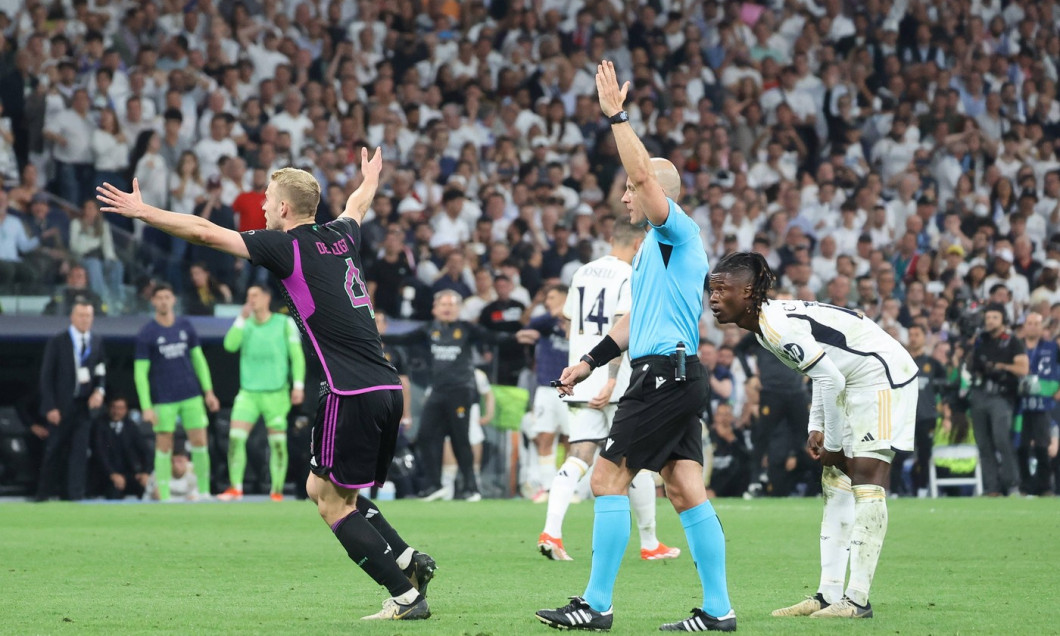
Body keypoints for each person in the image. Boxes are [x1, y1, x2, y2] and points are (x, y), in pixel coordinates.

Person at [97, 148, 435, 621]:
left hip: (349, 390)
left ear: (284, 209)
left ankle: (404, 597)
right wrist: (371, 177)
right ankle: (406, 559)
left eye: (267, 200)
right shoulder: (340, 234)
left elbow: (203, 231)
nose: (261, 208)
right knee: (325, 489)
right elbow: (357, 203)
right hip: (386, 386)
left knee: (332, 506)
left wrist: (142, 211)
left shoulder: (286, 246)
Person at [537, 61, 734, 633]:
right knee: (683, 487)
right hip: (670, 370)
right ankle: (718, 611)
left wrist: (617, 118)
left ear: (653, 194)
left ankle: (595, 606)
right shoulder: (651, 251)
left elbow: (646, 178)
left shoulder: (678, 233)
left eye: (629, 189)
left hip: (663, 376)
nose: (624, 196)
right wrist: (587, 362)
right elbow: (628, 321)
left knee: (605, 480)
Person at [708, 251, 920, 619]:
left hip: (883, 376)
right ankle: (828, 595)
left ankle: (857, 600)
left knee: (867, 477)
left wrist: (835, 447)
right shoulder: (763, 327)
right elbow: (826, 370)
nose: (712, 298)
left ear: (747, 293)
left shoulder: (775, 326)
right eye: (711, 290)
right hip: (854, 378)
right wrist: (817, 426)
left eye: (721, 289)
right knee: (834, 480)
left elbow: (831, 376)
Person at [535, 219, 680, 563]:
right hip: (616, 384)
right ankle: (650, 543)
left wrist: (578, 365)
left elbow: (569, 323)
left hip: (581, 378)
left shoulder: (582, 272)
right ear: (636, 243)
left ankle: (551, 531)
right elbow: (621, 326)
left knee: (578, 456)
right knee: (638, 461)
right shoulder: (629, 275)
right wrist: (613, 379)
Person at [383, 289, 510, 501]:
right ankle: (435, 485)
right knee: (425, 436)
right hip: (438, 391)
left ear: (459, 309)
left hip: (461, 390)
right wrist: (374, 335)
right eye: (443, 305)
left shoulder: (467, 328)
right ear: (435, 309)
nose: (448, 309)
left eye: (452, 305)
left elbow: (493, 337)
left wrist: (517, 336)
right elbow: (403, 339)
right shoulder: (428, 329)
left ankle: (471, 487)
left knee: (460, 438)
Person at [218, 284, 305, 501]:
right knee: (236, 438)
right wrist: (240, 319)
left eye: (255, 295)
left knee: (277, 443)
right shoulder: (245, 325)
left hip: (276, 393)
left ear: (267, 298)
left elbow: (297, 356)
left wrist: (298, 385)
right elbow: (229, 346)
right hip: (248, 393)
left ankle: (276, 491)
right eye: (248, 296)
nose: (251, 299)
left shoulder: (284, 324)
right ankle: (236, 488)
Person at [133, 283, 219, 501]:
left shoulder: (185, 326)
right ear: (153, 301)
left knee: (200, 441)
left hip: (191, 394)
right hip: (164, 398)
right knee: (164, 444)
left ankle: (204, 491)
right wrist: (146, 406)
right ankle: (163, 495)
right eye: (159, 297)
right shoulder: (147, 333)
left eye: (167, 297)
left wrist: (208, 392)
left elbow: (199, 360)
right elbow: (140, 373)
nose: (163, 301)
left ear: (173, 300)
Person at [36, 299, 107, 501]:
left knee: (79, 453)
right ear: (72, 317)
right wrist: (50, 406)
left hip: (83, 406)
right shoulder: (58, 341)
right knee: (54, 451)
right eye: (81, 315)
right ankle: (43, 495)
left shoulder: (96, 341)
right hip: (61, 406)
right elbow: (46, 377)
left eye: (88, 316)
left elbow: (101, 370)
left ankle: (75, 496)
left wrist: (99, 391)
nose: (85, 320)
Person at [516, 284, 572, 503]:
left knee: (571, 440)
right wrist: (553, 312)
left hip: (570, 388)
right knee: (545, 437)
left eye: (552, 297)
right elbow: (532, 324)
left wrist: (567, 312)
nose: (548, 301)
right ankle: (548, 488)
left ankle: (570, 489)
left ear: (566, 297)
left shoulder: (578, 319)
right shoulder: (547, 323)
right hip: (545, 388)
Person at [966, 304, 1028, 496]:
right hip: (979, 394)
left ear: (1003, 319)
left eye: (994, 317)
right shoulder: (981, 340)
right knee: (983, 443)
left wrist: (1001, 366)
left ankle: (1012, 484)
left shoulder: (1012, 341)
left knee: (1001, 439)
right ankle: (991, 488)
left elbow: (1023, 369)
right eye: (988, 317)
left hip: (1001, 396)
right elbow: (970, 365)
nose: (989, 320)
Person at [1016, 312, 1058, 496]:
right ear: (1024, 326)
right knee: (1021, 446)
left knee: (1042, 446)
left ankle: (1044, 486)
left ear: (1042, 328)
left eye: (1036, 323)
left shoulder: (1052, 347)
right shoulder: (1016, 346)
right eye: (1029, 323)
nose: (1032, 326)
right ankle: (1025, 485)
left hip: (1043, 404)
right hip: (1019, 405)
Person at [91, 396, 151, 499]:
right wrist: (112, 474)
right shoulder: (100, 426)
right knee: (114, 492)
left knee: (146, 489)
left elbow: (146, 452)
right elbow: (100, 454)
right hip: (107, 475)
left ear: (126, 409)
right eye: (114, 407)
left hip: (130, 474)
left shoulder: (131, 427)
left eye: (120, 408)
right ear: (109, 408)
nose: (117, 411)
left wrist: (145, 473)